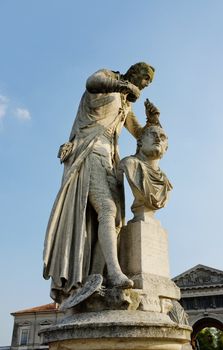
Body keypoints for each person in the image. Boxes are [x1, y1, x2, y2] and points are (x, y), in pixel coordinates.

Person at [43, 62, 155, 303]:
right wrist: (124, 85)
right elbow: (91, 81)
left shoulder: (125, 104)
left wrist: (154, 122)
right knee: (107, 209)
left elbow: (141, 134)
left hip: (111, 161)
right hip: (90, 151)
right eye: (145, 78)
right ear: (134, 73)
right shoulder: (108, 80)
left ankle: (96, 278)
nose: (145, 85)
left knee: (114, 220)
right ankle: (114, 273)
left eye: (148, 82)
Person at [120, 100, 172, 222]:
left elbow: (142, 132)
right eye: (153, 135)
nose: (158, 139)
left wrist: (153, 122)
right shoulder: (129, 164)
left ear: (167, 148)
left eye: (162, 138)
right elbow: (141, 133)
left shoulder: (165, 183)